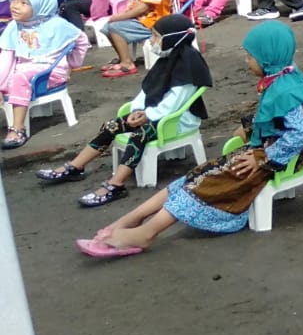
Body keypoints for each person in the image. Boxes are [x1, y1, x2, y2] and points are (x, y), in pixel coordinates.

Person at [75, 21, 303, 257]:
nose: (247, 61)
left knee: (206, 185)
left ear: (268, 57)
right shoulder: (283, 80)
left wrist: (265, 157)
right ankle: (133, 218)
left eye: (251, 56)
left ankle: (145, 233)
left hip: (273, 159)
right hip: (261, 152)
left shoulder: (286, 90)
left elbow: (300, 133)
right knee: (195, 176)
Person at [38, 15, 207, 205]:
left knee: (139, 135)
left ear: (172, 38)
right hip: (153, 113)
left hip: (177, 120)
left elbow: (176, 102)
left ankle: (116, 184)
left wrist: (148, 115)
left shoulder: (189, 65)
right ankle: (76, 166)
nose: (152, 41)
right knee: (112, 126)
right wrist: (137, 109)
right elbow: (148, 90)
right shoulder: (167, 58)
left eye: (156, 36)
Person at [0, 0, 88, 149]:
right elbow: (7, 53)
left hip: (50, 72)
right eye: (15, 0)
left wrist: (73, 62)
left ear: (41, 6)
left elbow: (81, 40)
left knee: (19, 78)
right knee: (15, 77)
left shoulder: (57, 25)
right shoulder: (15, 26)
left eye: (24, 3)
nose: (15, 6)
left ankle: (18, 128)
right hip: (23, 70)